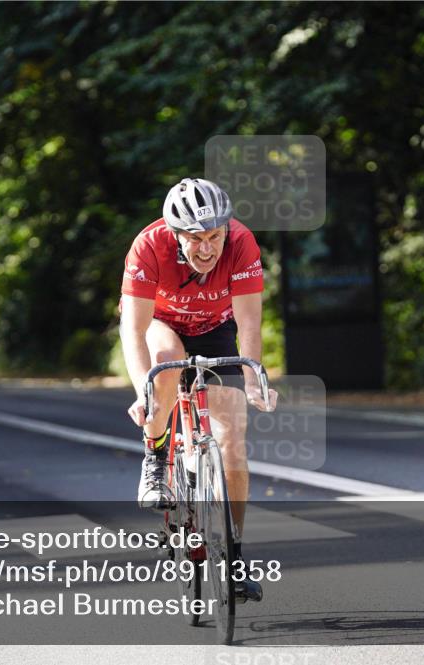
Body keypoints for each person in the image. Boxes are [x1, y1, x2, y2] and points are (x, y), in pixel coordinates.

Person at [119, 177, 278, 602]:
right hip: (161, 323)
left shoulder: (242, 243)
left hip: (214, 326)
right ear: (175, 235)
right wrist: (144, 394)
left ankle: (236, 555)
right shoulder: (149, 246)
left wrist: (252, 379)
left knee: (232, 441)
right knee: (167, 358)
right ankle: (155, 459)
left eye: (214, 237)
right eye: (194, 240)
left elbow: (248, 324)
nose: (206, 249)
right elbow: (133, 330)